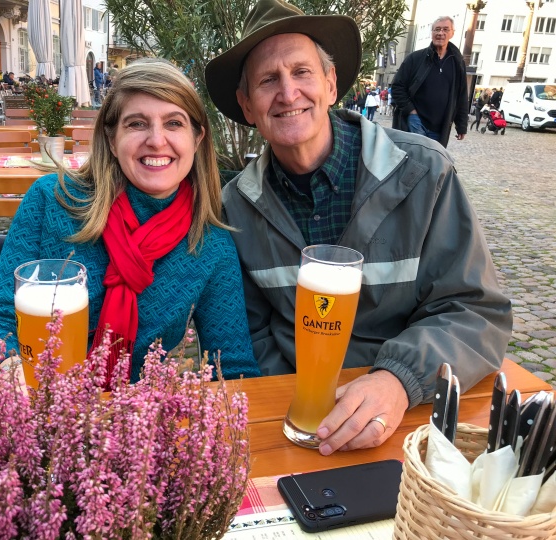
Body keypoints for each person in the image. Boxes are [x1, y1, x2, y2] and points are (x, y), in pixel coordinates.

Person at [205, 0, 511, 455]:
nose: (288, 93)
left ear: (331, 85)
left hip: (411, 415)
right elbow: (249, 333)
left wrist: (398, 379)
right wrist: (294, 394)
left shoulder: (424, 173)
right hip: (299, 420)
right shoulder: (235, 207)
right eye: (268, 80)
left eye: (302, 73)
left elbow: (476, 311)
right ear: (248, 107)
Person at [0, 60, 261, 409]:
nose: (156, 140)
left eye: (174, 123)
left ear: (197, 138)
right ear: (112, 138)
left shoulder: (210, 243)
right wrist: (5, 373)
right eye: (136, 124)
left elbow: (234, 368)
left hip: (111, 424)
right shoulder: (52, 200)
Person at [391, 16, 468, 148]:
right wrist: (411, 112)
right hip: (415, 122)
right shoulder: (415, 58)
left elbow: (461, 96)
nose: (440, 33)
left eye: (445, 29)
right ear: (431, 33)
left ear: (452, 33)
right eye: (437, 29)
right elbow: (397, 87)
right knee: (412, 161)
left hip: (440, 128)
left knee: (432, 165)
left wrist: (462, 125)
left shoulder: (457, 63)